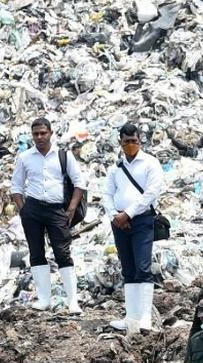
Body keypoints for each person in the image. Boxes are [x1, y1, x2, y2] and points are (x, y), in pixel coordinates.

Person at [11, 117, 86, 314]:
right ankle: (44, 299)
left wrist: (70, 209)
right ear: (32, 136)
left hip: (57, 209)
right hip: (33, 209)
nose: (40, 137)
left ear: (51, 133)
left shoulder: (64, 156)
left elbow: (79, 183)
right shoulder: (25, 157)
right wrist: (23, 209)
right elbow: (16, 186)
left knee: (63, 253)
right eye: (36, 134)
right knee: (36, 252)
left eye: (43, 133)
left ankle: (73, 302)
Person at [103, 123, 164, 331]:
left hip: (141, 220)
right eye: (126, 142)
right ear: (120, 142)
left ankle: (145, 318)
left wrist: (127, 213)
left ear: (140, 141)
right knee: (128, 268)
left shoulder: (150, 163)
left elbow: (152, 192)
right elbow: (107, 194)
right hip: (119, 222)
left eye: (134, 141)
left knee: (143, 268)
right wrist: (114, 215)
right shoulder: (116, 168)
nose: (130, 145)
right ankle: (131, 317)